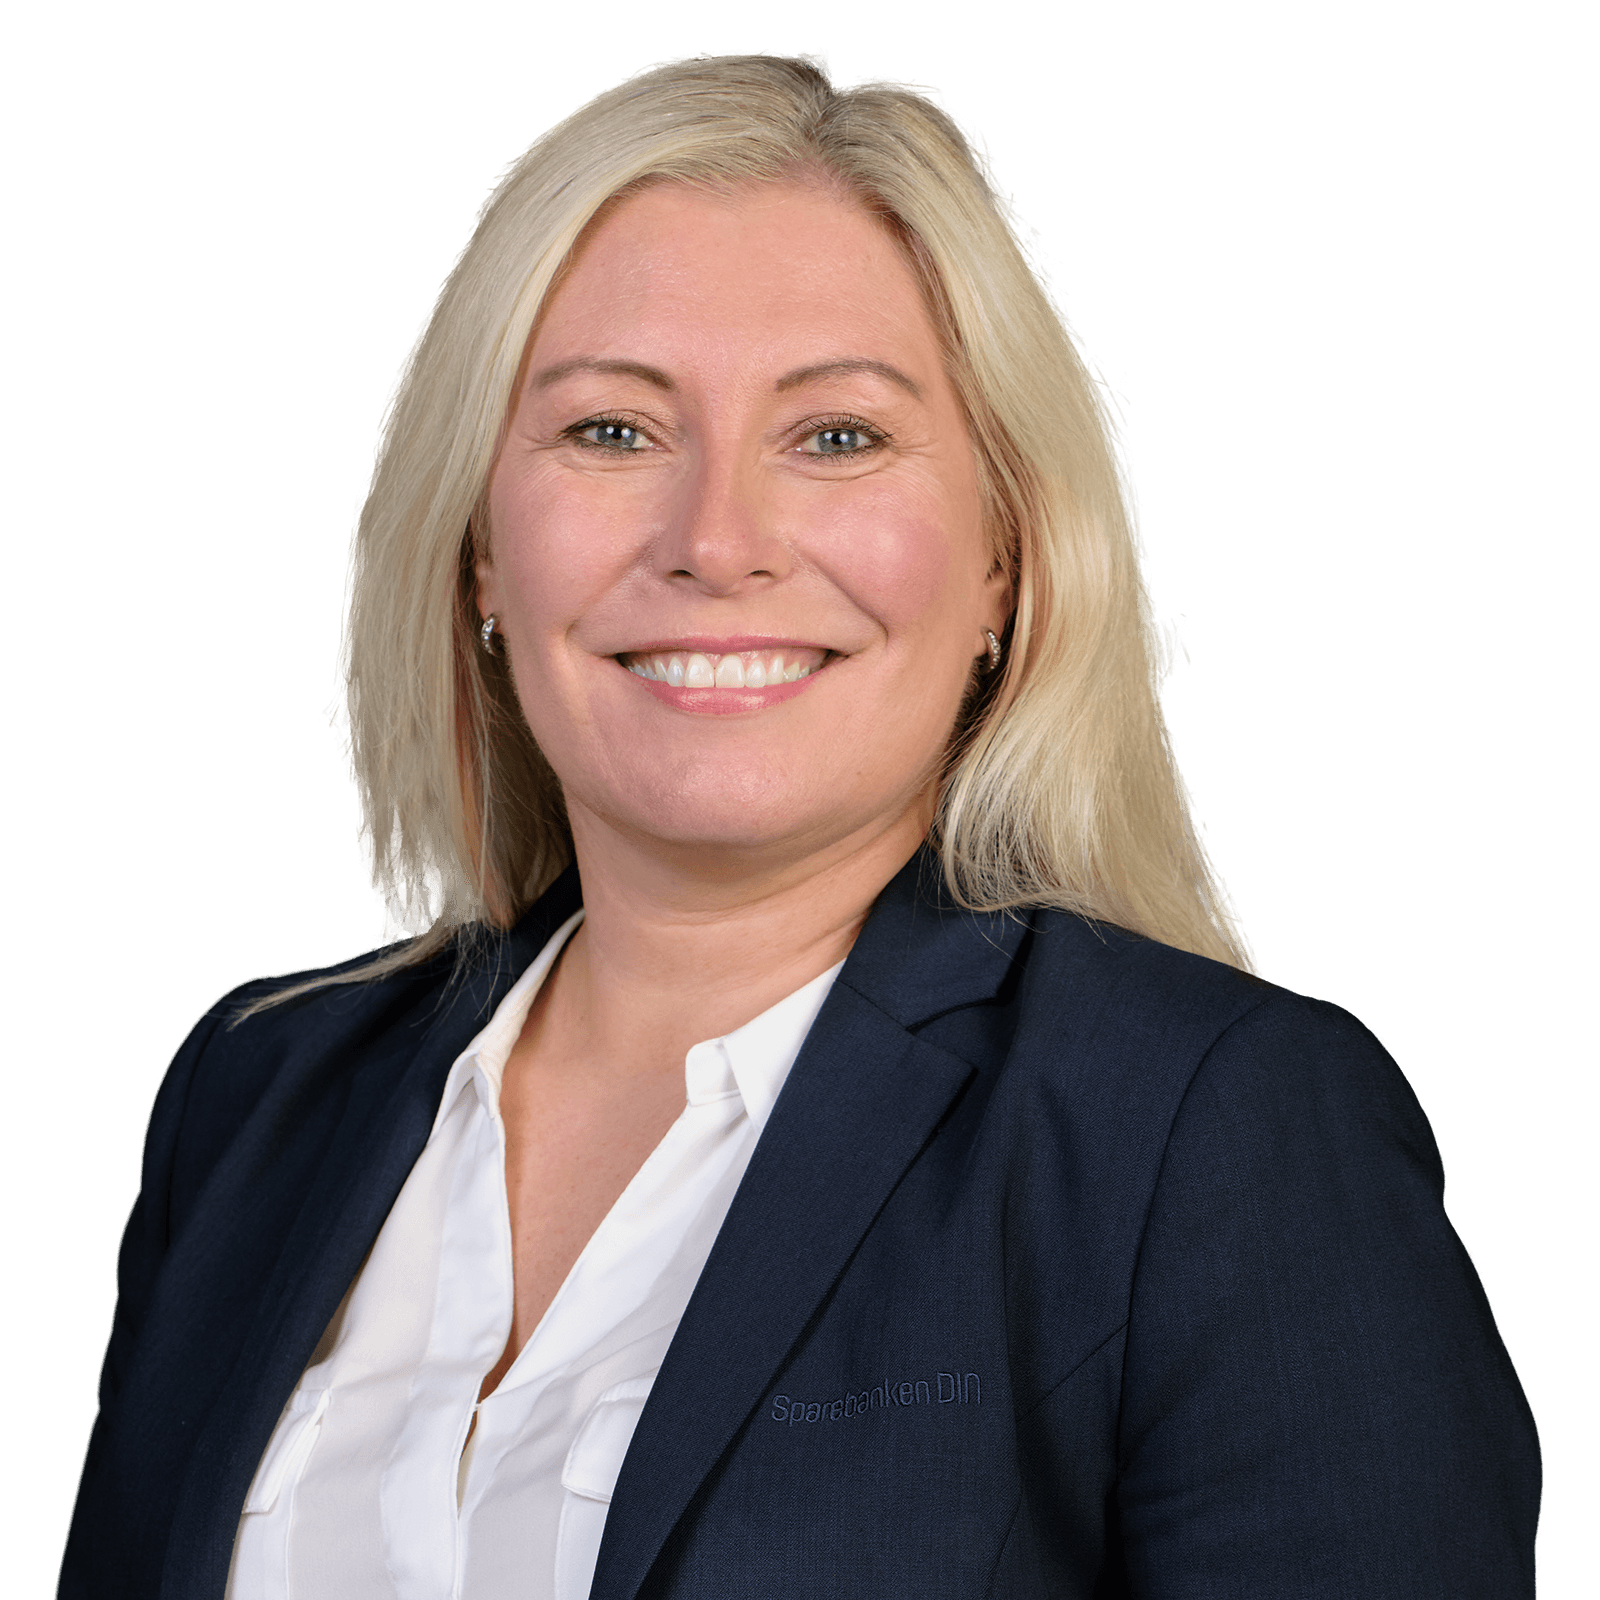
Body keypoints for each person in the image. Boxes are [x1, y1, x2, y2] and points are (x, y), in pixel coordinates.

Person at [58, 48, 1540, 1600]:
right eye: (611, 431)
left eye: (836, 435)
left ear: (1003, 558)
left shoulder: (1216, 1132)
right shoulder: (257, 1096)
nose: (716, 543)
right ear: (483, 548)